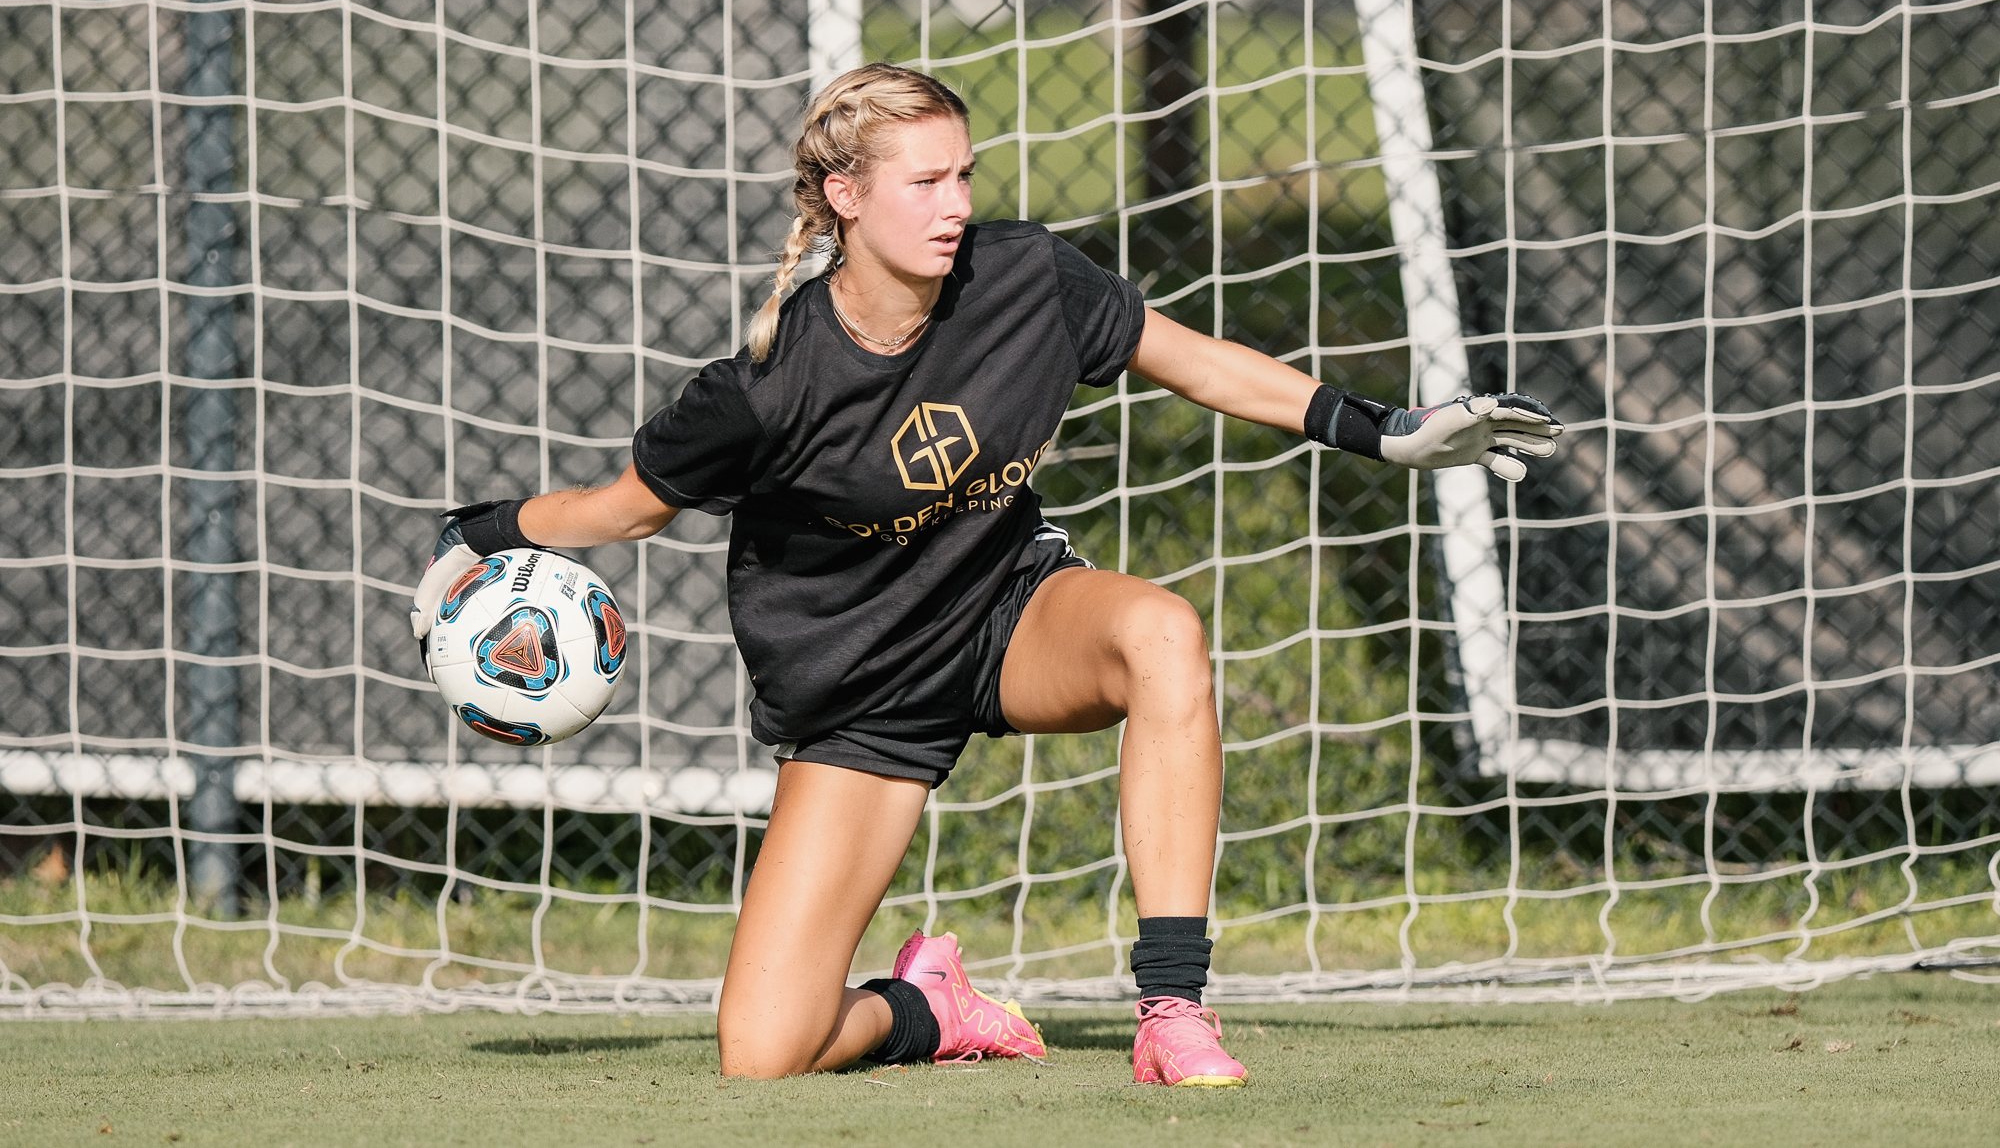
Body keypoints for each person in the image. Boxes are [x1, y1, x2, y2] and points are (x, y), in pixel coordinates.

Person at [409, 63, 1562, 1085]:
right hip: (856, 688)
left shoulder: (1022, 277)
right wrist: (487, 529)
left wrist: (1383, 430)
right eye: (923, 182)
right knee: (764, 1049)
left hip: (1005, 614)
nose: (955, 203)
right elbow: (626, 507)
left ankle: (1172, 1010)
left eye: (962, 174)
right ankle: (932, 1006)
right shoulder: (763, 388)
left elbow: (1195, 361)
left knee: (1160, 632)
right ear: (844, 196)